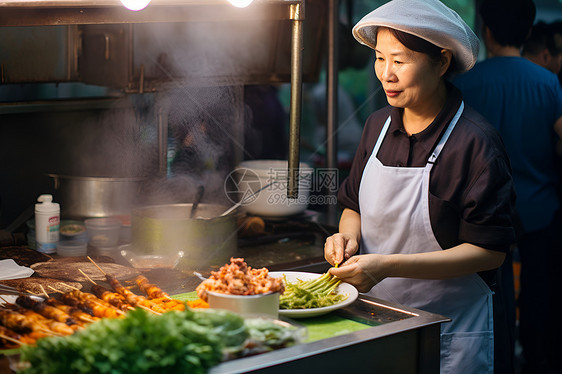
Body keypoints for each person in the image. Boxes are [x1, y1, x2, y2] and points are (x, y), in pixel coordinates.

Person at [323, 1, 517, 373]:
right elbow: (353, 206)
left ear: (441, 62)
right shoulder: (376, 127)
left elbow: (489, 252)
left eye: (400, 60)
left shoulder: (475, 143)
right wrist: (345, 238)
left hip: (451, 329)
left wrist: (388, 266)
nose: (386, 74)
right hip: (377, 318)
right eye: (380, 58)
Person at [453, 1, 562, 373]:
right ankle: (536, 361)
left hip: (479, 218)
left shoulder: (464, 84)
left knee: (488, 299)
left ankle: (497, 363)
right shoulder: (549, 83)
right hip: (539, 211)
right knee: (538, 297)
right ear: (529, 33)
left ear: (485, 31)